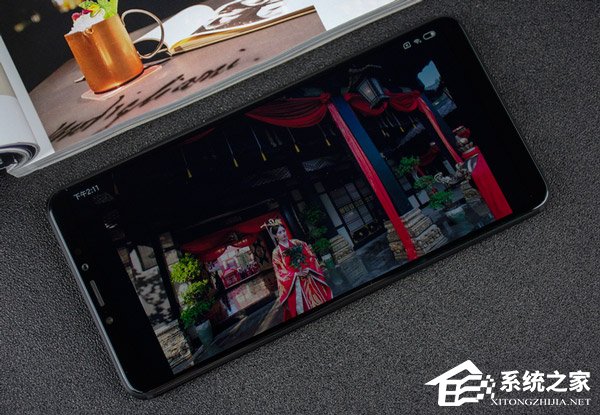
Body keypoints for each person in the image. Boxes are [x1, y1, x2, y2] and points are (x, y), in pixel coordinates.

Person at [268, 221, 332, 320]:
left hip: (309, 275)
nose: (283, 234)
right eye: (279, 232)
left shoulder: (297, 242)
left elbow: (310, 255)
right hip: (295, 281)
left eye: (283, 231)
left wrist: (308, 267)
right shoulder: (276, 252)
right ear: (276, 236)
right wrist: (296, 274)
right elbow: (279, 271)